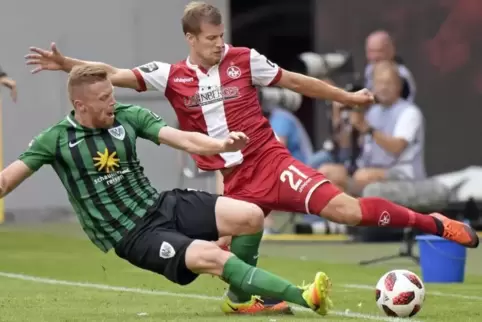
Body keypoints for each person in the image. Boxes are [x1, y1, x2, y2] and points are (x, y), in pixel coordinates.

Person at [25, 0, 479, 314]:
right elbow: (110, 76)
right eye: (209, 39)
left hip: (268, 162)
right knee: (231, 241)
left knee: (347, 210)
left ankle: (433, 223)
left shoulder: (244, 59)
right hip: (231, 181)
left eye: (221, 36)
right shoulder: (169, 75)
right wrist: (68, 66)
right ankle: (246, 299)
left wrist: (346, 95)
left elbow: (296, 82)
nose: (219, 44)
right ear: (189, 39)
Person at [0, 64, 333, 316]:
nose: (112, 104)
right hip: (133, 235)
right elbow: (5, 181)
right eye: (104, 100)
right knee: (212, 256)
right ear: (80, 105)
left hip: (162, 204)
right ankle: (303, 296)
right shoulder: (55, 139)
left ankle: (239, 299)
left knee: (250, 215)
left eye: (112, 96)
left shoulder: (126, 116)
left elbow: (182, 138)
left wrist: (219, 143)